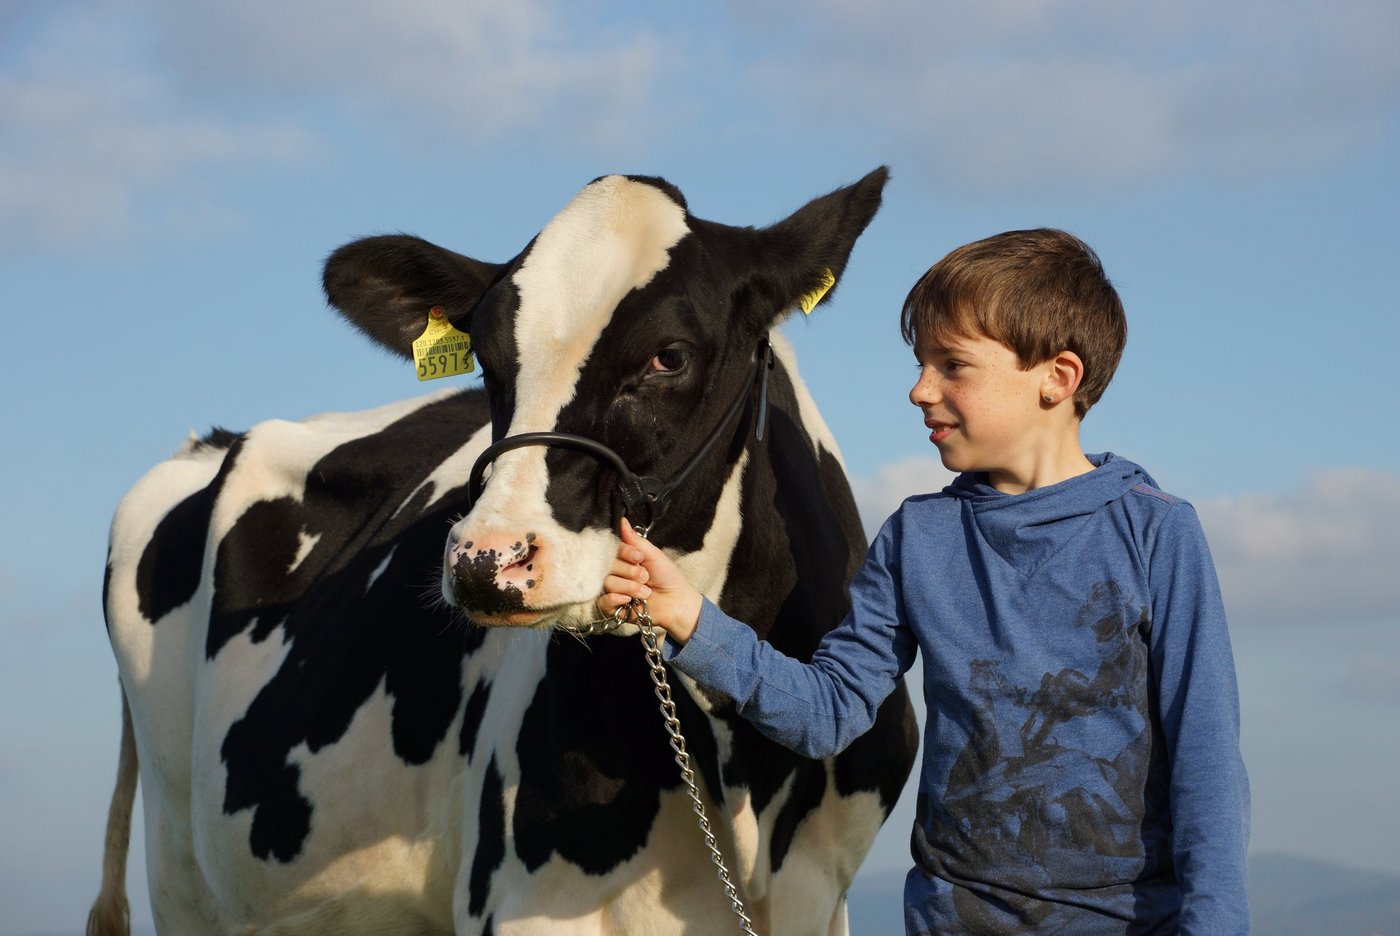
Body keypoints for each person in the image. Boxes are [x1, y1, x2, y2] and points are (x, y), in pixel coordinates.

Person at [599, 228, 1250, 934]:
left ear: (1058, 378)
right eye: (921, 363)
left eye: (952, 365)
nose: (919, 390)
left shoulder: (1156, 532)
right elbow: (828, 711)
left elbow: (1208, 766)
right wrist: (691, 618)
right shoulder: (918, 536)